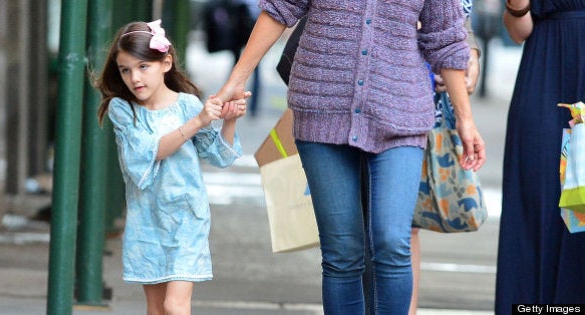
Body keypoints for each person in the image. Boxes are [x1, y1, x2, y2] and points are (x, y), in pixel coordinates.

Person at [217, 1, 486, 313]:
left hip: (400, 112)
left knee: (392, 242)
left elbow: (446, 39)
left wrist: (465, 121)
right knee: (342, 253)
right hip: (322, 108)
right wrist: (236, 80)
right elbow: (279, 8)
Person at [96, 19, 248, 315]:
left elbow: (220, 157)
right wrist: (199, 121)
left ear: (165, 63)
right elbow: (145, 155)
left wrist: (230, 119)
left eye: (143, 67)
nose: (134, 78)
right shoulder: (123, 110)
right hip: (146, 221)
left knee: (175, 306)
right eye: (125, 70)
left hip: (187, 220)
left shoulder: (189, 105)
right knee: (156, 309)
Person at [495, 1, 585, 313]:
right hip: (546, 73)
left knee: (582, 214)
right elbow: (518, 30)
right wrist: (517, 7)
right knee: (538, 199)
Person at [409, 1, 481, 313]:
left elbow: (457, 16)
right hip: (355, 85)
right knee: (356, 232)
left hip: (427, 104)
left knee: (401, 225)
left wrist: (471, 54)